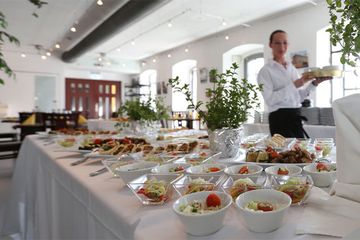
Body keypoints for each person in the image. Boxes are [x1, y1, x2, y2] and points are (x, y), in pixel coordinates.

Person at [257, 29, 331, 138]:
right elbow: (270, 99)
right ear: (270, 44)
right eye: (277, 42)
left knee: (301, 153)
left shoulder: (292, 68)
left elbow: (298, 97)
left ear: (288, 44)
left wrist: (314, 83)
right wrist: (295, 84)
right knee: (283, 154)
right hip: (279, 120)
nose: (281, 46)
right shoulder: (265, 71)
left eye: (285, 42)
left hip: (296, 116)